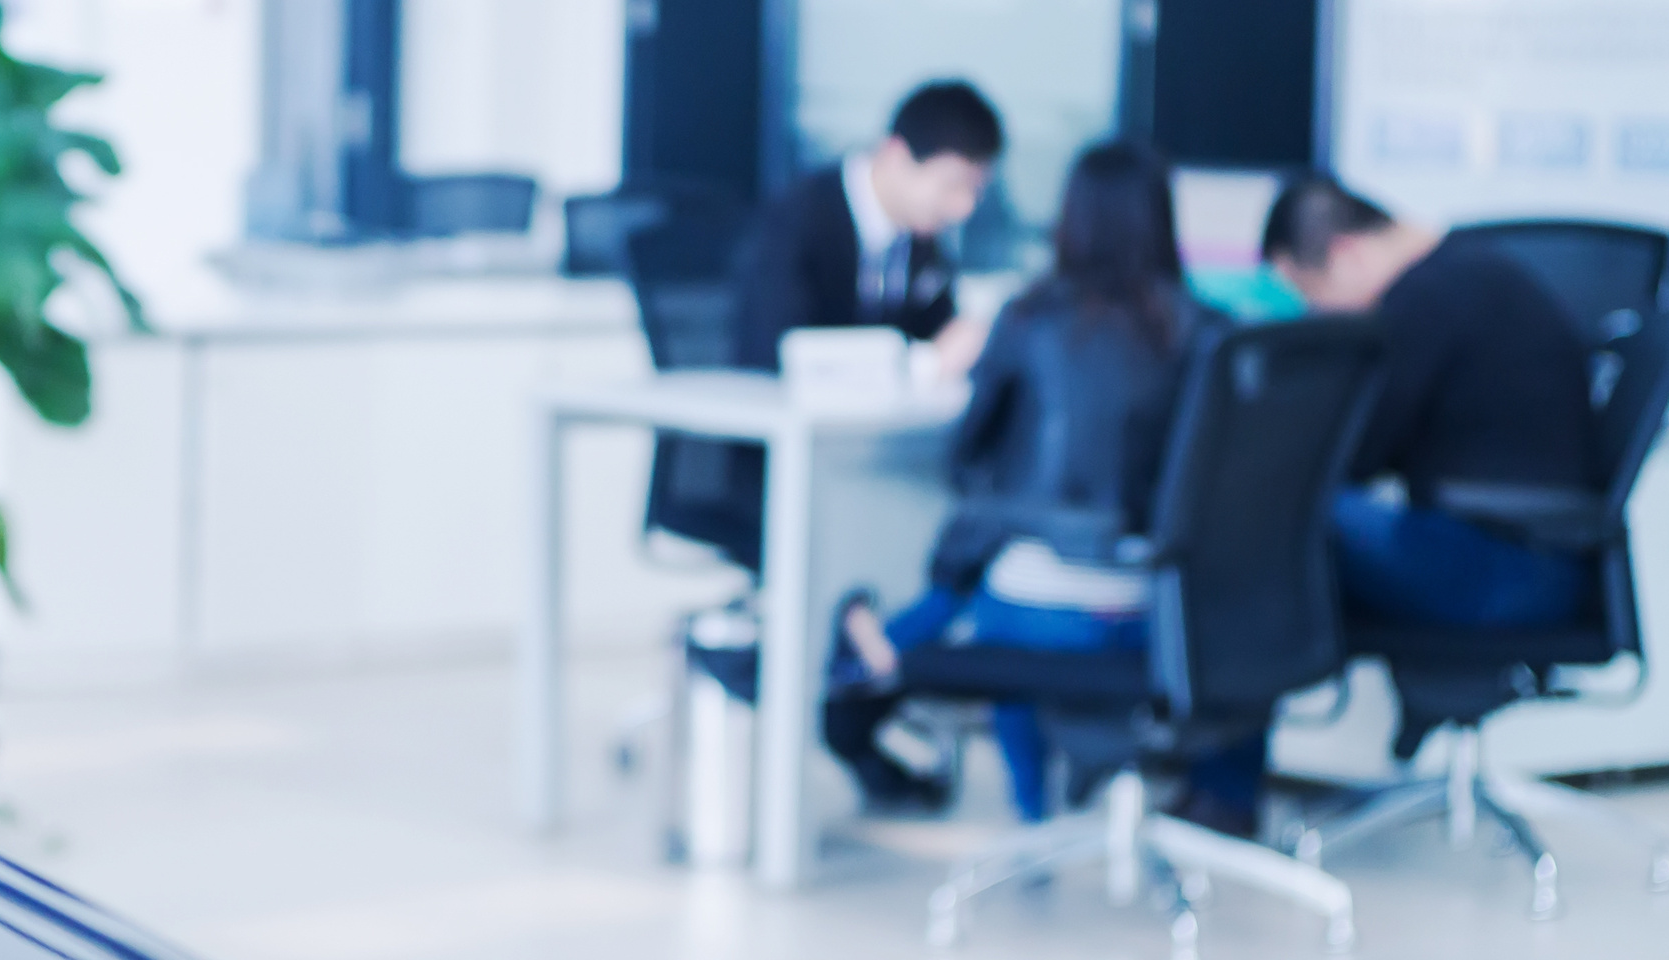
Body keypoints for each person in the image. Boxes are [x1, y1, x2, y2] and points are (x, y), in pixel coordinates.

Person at [820, 142, 1251, 830]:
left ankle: (1027, 810)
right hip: (1172, 612)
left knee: (989, 581)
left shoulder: (1027, 319)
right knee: (996, 573)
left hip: (1050, 609)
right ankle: (1225, 805)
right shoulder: (1213, 332)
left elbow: (966, 461)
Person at [654, 81, 1005, 575]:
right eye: (952, 185)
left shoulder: (920, 243)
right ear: (896, 155)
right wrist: (921, 364)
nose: (962, 208)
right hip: (780, 466)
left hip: (870, 456)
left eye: (974, 191)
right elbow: (786, 357)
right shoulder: (795, 221)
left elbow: (940, 334)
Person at [1259, 175, 1595, 633]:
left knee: (1276, 504)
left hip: (1500, 569)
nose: (1316, 313)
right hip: (1523, 560)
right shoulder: (1468, 275)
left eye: (1310, 293)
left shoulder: (1426, 299)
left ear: (1345, 255)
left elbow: (1353, 454)